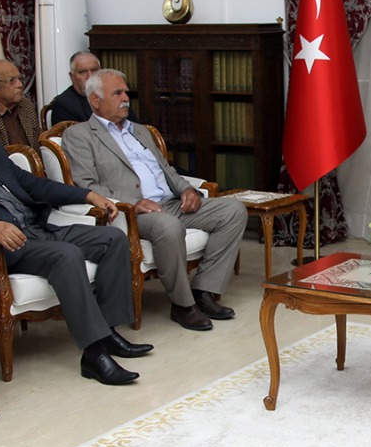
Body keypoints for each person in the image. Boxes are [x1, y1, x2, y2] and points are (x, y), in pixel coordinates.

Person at [0, 95, 152, 386]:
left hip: (39, 228)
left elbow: (33, 185)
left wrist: (87, 195)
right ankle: (94, 355)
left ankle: (108, 333)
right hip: (10, 244)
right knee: (67, 255)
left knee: (113, 238)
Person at [63, 69, 248, 331]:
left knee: (234, 210)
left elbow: (167, 170)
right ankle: (183, 305)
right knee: (168, 226)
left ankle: (203, 291)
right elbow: (87, 184)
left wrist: (187, 190)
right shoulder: (79, 135)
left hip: (171, 203)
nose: (125, 98)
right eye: (117, 93)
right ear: (95, 100)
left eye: (126, 92)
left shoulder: (140, 131)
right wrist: (133, 202)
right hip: (133, 213)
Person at [0, 58, 43, 147]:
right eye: (12, 80)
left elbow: (39, 143)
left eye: (20, 79)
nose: (20, 85)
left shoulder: (25, 104)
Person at [47, 51, 99, 126]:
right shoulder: (63, 105)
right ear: (72, 76)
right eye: (82, 72)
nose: (90, 76)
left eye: (94, 70)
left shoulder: (107, 95)